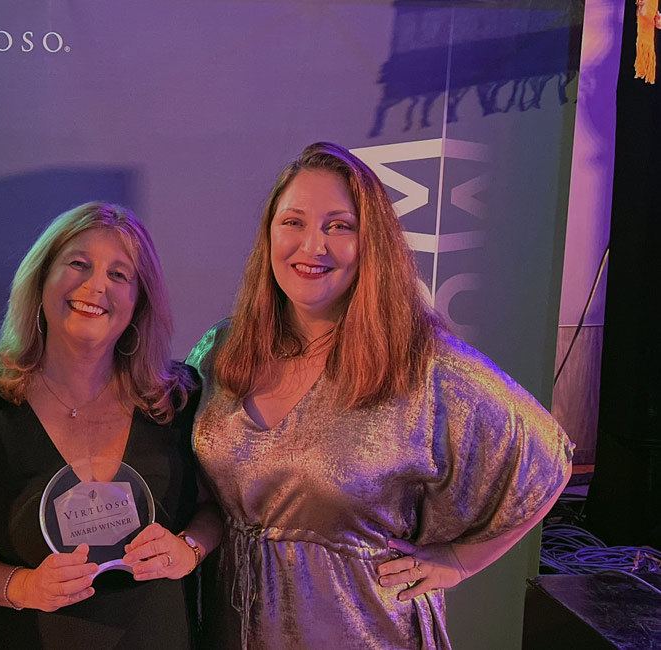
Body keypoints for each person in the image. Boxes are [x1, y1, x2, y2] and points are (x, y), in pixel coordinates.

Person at [188, 142, 573, 650]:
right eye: (293, 222)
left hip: (363, 631)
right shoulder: (222, 349)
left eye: (339, 226)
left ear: (372, 242)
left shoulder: (422, 363)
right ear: (269, 234)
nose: (312, 245)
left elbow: (546, 458)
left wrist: (460, 562)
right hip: (230, 627)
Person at [0, 202, 223, 649]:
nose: (95, 286)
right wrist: (24, 586)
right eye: (78, 264)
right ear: (41, 279)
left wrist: (190, 549)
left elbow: (218, 510)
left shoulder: (177, 399)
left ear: (138, 302)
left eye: (119, 275)